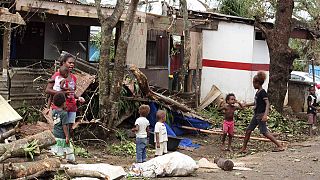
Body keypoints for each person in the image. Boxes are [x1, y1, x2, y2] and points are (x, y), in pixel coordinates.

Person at [240, 71, 284, 153]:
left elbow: (267, 103)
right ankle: (244, 148)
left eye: (253, 83)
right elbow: (255, 103)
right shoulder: (258, 92)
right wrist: (246, 105)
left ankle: (279, 145)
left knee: (265, 132)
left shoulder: (263, 92)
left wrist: (265, 115)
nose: (253, 85)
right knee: (248, 130)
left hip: (260, 115)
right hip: (256, 115)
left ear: (257, 83)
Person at [45, 53, 85, 137]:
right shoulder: (57, 76)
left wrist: (79, 98)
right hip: (60, 107)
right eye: (69, 62)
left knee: (69, 128)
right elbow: (48, 90)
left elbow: (72, 92)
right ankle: (58, 148)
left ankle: (66, 147)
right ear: (63, 63)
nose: (72, 64)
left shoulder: (73, 77)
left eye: (73, 63)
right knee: (60, 129)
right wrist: (62, 93)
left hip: (72, 107)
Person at [50, 92, 75, 162]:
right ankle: (71, 159)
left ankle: (57, 159)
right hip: (62, 135)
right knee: (68, 147)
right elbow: (64, 126)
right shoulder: (64, 114)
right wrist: (67, 136)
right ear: (64, 103)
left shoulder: (54, 111)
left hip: (55, 134)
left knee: (57, 148)